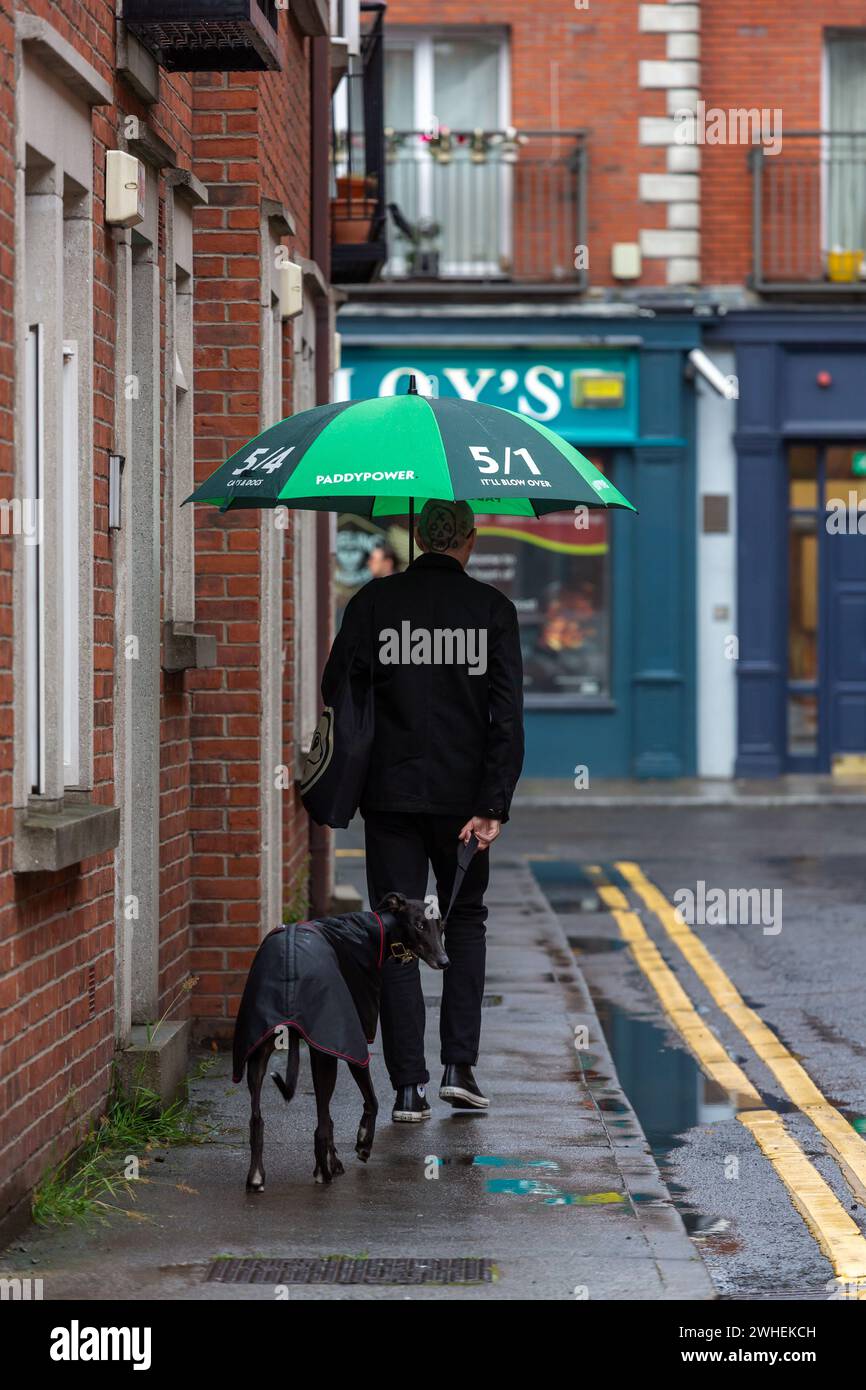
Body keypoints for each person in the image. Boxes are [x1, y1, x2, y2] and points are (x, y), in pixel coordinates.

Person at [321, 499, 524, 1121]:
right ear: (468, 538)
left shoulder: (373, 604)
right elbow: (506, 717)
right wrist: (493, 804)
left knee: (400, 934)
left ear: (413, 534)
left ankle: (407, 1087)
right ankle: (459, 1068)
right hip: (466, 803)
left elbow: (338, 692)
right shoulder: (493, 610)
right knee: (465, 922)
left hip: (390, 798)